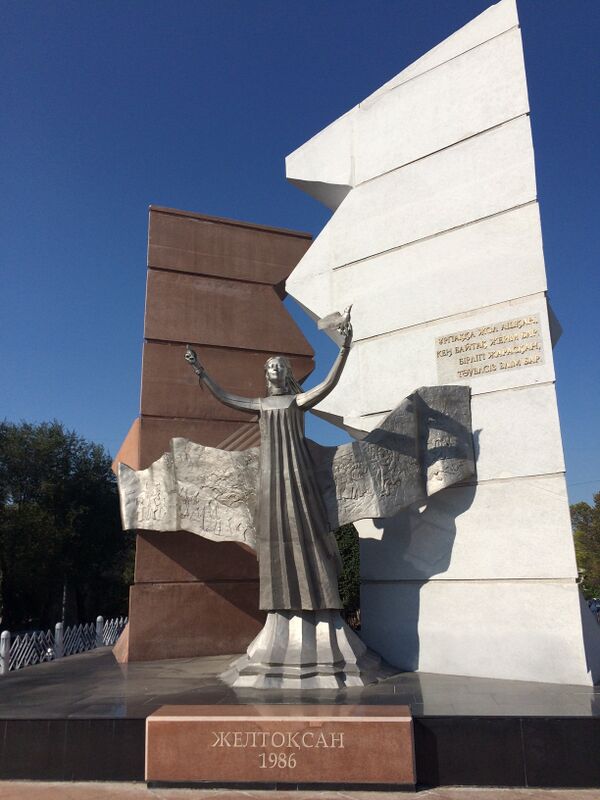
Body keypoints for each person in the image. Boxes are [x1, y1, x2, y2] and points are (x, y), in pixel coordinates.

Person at [184, 308, 353, 614]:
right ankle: (281, 601)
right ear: (267, 374)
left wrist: (344, 349)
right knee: (273, 534)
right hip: (270, 478)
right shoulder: (260, 404)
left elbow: (327, 384)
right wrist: (201, 370)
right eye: (271, 366)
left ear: (287, 374)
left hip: (298, 475)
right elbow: (225, 397)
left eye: (279, 365)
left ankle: (320, 595)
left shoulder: (297, 401)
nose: (275, 368)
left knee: (309, 526)